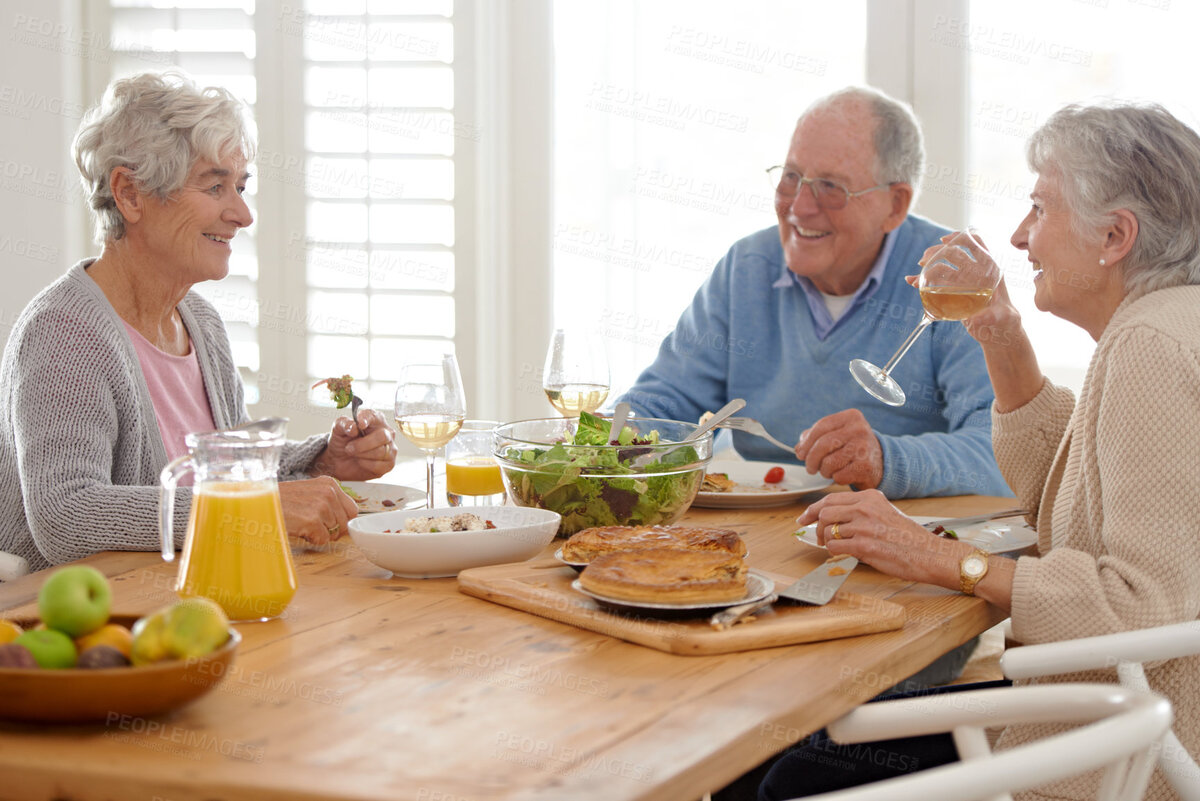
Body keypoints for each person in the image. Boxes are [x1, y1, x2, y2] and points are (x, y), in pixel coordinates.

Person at [766, 102, 1200, 800]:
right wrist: (1001, 333)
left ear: (1115, 235)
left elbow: (1139, 607)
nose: (1021, 236)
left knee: (790, 764)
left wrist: (936, 556)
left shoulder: (1148, 347)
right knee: (799, 751)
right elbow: (1070, 488)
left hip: (1106, 755)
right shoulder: (1169, 322)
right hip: (1103, 717)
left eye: (1039, 207)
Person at [0, 71, 397, 574]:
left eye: (240, 186)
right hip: (108, 625)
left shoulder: (199, 323)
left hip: (206, 594)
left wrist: (324, 462)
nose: (242, 214)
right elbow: (66, 515)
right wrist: (254, 509)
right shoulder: (63, 332)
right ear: (130, 194)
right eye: (216, 186)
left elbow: (228, 476)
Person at [620, 86, 1010, 499]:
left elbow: (1001, 455)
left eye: (830, 187)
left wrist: (885, 459)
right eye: (791, 178)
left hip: (901, 542)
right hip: (761, 533)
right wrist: (601, 438)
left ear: (895, 205)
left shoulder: (951, 283)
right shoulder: (747, 267)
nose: (799, 207)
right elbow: (663, 404)